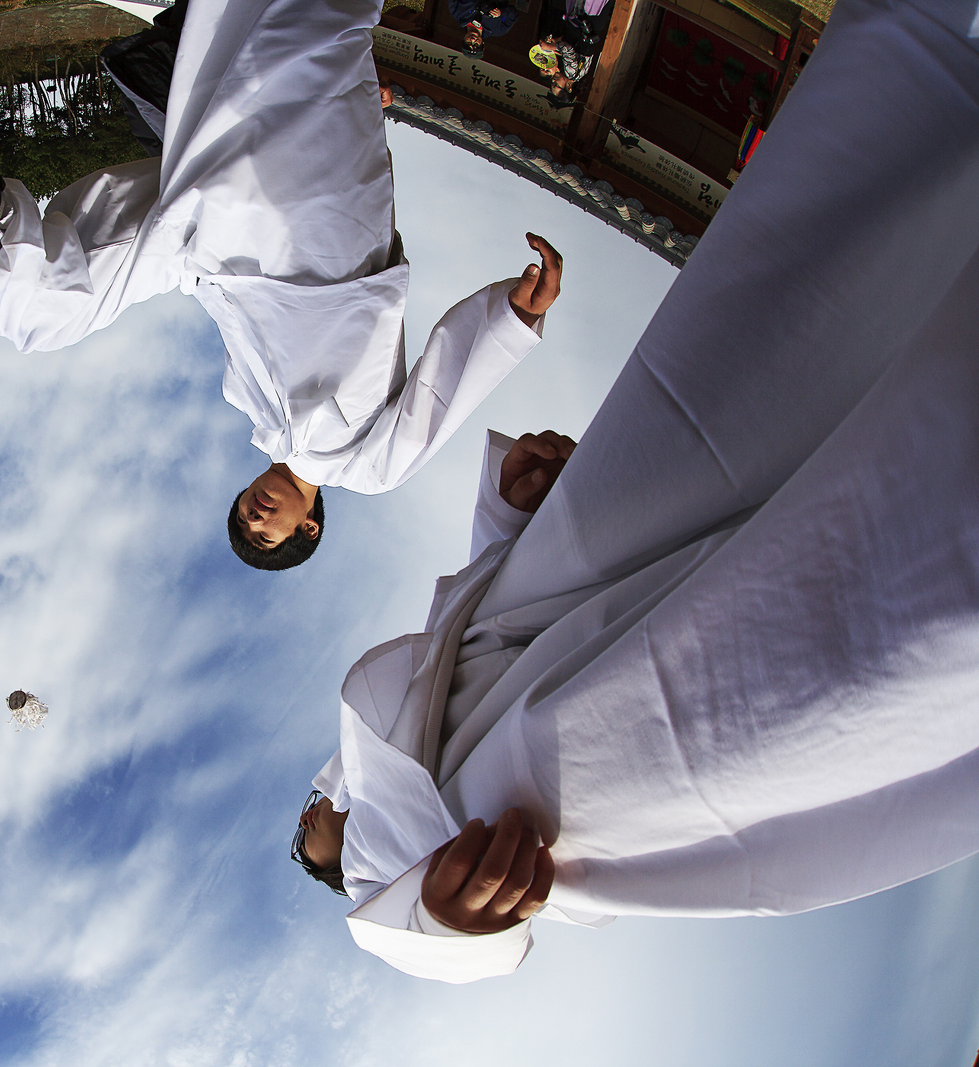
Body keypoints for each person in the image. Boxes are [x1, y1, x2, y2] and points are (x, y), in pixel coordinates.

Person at [295, 0, 979, 984]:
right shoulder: (378, 872)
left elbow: (467, 642)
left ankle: (935, 86)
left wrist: (507, 515)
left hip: (555, 589)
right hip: (538, 786)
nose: (318, 813)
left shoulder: (369, 749)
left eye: (307, 816)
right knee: (862, 629)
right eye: (314, 835)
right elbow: (419, 931)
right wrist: (441, 923)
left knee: (772, 348)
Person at [0, 0, 563, 571]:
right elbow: (440, 393)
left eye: (241, 519)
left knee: (47, 318)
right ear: (308, 527)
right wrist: (510, 320)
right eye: (265, 531)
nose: (253, 516)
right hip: (321, 237)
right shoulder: (366, 467)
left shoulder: (251, 409)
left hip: (215, 260)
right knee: (304, 36)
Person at [449, 0, 520, 57]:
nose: (473, 39)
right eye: (476, 44)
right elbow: (514, 15)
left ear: (463, 39)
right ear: (482, 44)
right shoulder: (497, 30)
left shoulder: (458, 15)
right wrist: (501, 12)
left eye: (468, 42)